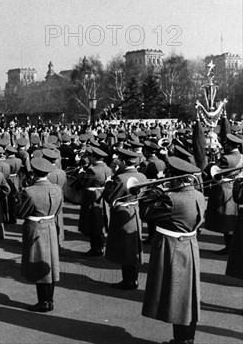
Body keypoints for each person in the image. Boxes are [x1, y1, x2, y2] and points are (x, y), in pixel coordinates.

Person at [139, 157, 204, 344]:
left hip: (173, 247)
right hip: (189, 246)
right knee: (188, 295)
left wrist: (155, 191)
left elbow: (146, 213)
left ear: (176, 178)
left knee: (176, 295)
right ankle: (187, 337)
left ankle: (181, 339)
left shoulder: (173, 199)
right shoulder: (198, 195)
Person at [16, 158, 63, 312]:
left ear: (34, 173)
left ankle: (43, 302)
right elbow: (58, 210)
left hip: (35, 228)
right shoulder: (57, 189)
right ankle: (49, 300)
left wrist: (18, 199)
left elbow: (20, 212)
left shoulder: (29, 191)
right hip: (50, 226)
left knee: (38, 263)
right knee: (50, 263)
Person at [102, 148, 147, 290]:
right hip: (134, 210)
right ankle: (132, 278)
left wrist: (110, 182)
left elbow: (108, 197)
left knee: (125, 247)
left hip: (121, 213)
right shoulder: (142, 176)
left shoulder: (120, 178)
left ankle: (128, 280)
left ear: (122, 161)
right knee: (133, 245)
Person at [205, 133, 242, 254]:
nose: (224, 145)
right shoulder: (241, 156)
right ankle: (230, 246)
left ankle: (229, 247)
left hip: (225, 188)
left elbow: (215, 172)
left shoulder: (226, 158)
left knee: (226, 220)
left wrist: (211, 165)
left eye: (226, 144)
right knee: (232, 218)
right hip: (235, 186)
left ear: (230, 145)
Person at [76, 146, 112, 256]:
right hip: (102, 195)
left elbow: (81, 184)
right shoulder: (107, 168)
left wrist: (81, 173)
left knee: (92, 223)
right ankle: (99, 247)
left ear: (93, 158)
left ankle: (95, 248)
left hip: (93, 197)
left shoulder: (92, 170)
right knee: (100, 222)